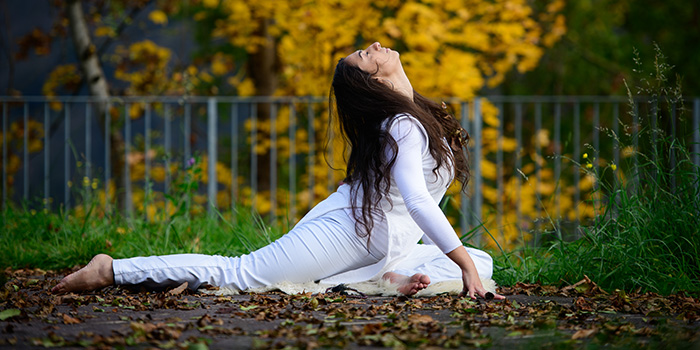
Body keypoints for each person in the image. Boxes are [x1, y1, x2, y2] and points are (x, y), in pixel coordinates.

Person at [52, 42, 505, 300]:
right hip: (346, 231)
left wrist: (462, 261)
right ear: (372, 81)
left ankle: (374, 278)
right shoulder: (403, 125)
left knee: (481, 262)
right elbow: (419, 199)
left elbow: (416, 209)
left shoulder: (419, 111)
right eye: (364, 57)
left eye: (363, 52)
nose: (371, 47)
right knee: (245, 274)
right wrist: (458, 261)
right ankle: (112, 269)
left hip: (389, 244)